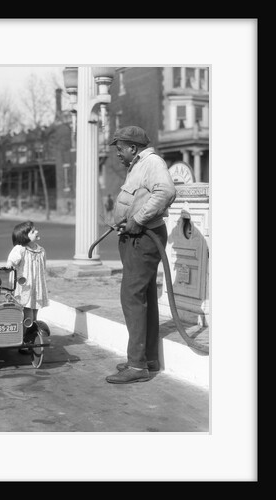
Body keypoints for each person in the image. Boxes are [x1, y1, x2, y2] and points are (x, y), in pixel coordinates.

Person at [106, 125, 177, 384]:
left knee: (132, 297)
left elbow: (166, 191)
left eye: (120, 148)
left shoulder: (152, 162)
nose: (117, 153)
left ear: (133, 148)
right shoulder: (138, 165)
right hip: (136, 238)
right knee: (143, 297)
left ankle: (137, 366)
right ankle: (146, 359)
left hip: (145, 239)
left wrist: (137, 218)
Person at [0, 221, 49, 345]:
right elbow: (11, 262)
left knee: (34, 314)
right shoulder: (20, 249)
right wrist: (7, 266)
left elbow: (42, 268)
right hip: (24, 287)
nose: (37, 232)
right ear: (24, 236)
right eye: (33, 231)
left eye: (35, 230)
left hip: (36, 287)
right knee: (28, 316)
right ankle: (22, 339)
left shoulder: (41, 250)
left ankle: (30, 337)